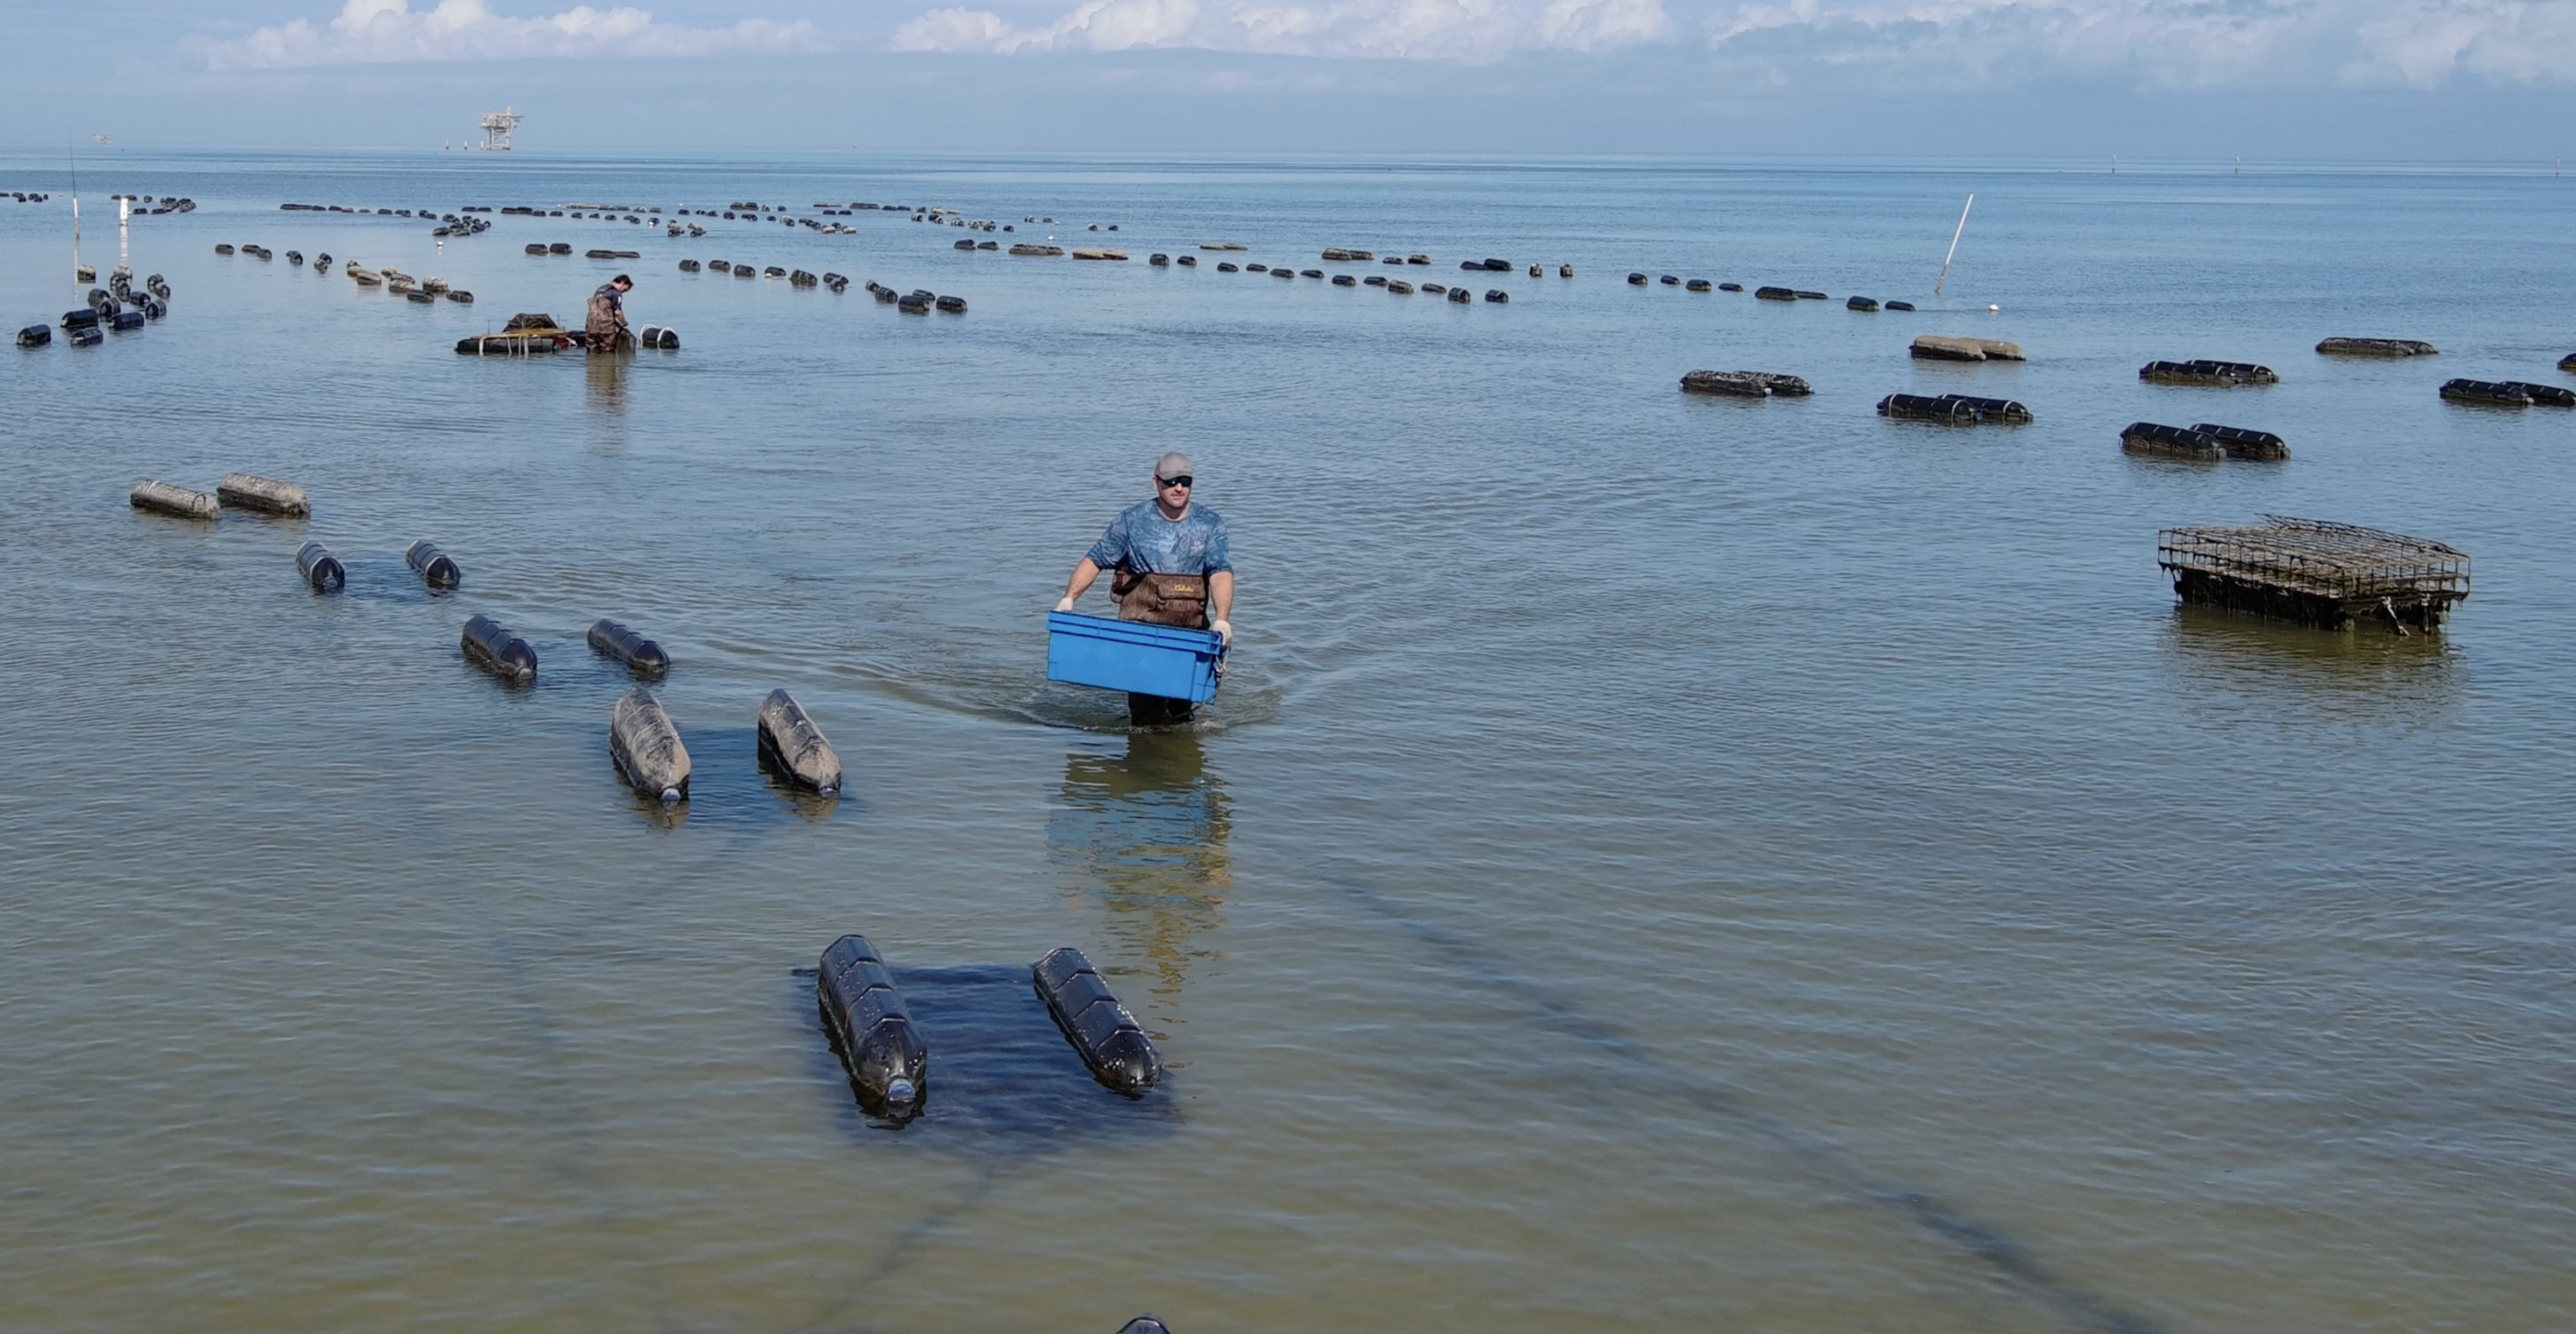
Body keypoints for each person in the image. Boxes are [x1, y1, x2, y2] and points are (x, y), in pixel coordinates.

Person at [1058, 452, 1236, 725]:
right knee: (1147, 717)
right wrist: (1069, 599)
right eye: (1171, 481)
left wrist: (1222, 619)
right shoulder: (1132, 521)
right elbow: (1096, 560)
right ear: (1156, 483)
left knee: (1181, 714)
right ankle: (1146, 749)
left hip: (1189, 636)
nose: (1179, 487)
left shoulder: (1210, 524)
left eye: (1185, 481)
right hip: (1140, 635)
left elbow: (1220, 572)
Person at [586, 274, 633, 352]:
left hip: (591, 327)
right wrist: (624, 323)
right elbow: (617, 312)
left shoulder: (600, 289)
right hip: (606, 330)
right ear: (622, 283)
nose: (623, 292)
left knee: (591, 351)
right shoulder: (616, 294)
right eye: (625, 290)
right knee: (607, 352)